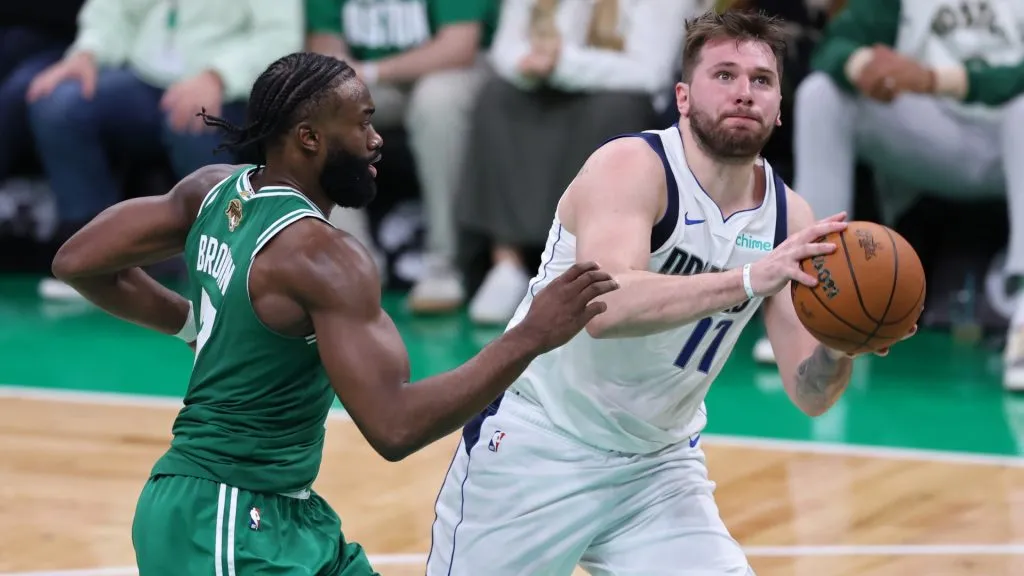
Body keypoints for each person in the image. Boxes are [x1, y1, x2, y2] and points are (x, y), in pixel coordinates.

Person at [49, 52, 617, 576]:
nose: (375, 141)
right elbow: (395, 426)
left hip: (279, 511)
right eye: (362, 123)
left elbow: (79, 261)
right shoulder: (324, 258)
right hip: (225, 518)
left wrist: (192, 323)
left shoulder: (214, 194)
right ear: (309, 138)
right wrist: (530, 336)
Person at [427, 11, 916, 576]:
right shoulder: (632, 166)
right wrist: (748, 279)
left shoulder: (788, 218)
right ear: (683, 96)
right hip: (538, 445)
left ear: (780, 108)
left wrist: (840, 343)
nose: (744, 93)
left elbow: (810, 394)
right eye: (724, 75)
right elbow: (604, 309)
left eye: (762, 80)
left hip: (656, 471)